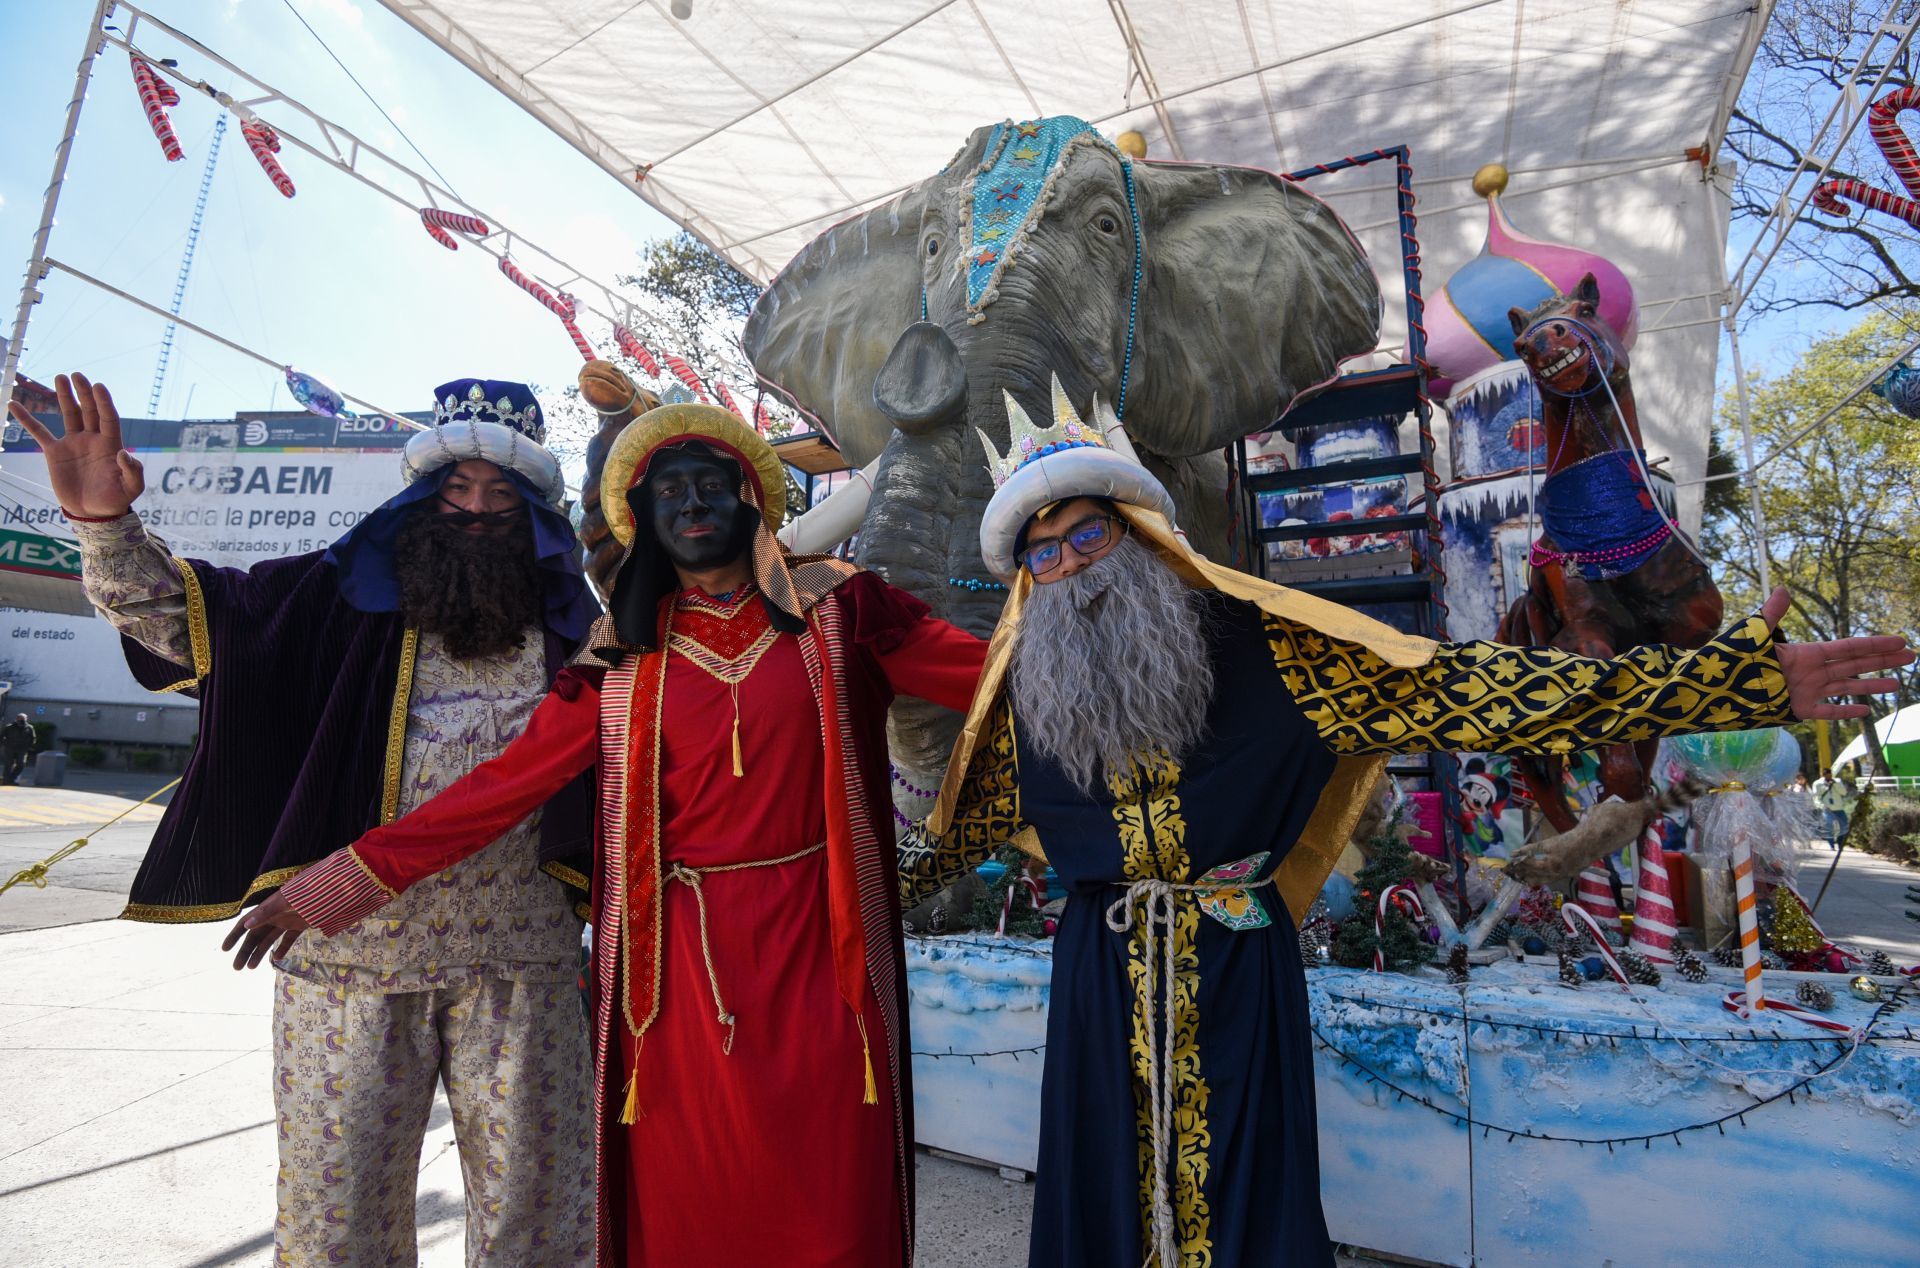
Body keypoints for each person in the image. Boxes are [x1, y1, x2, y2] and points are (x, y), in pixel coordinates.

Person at [902, 379, 1914, 1268]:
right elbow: (946, 835)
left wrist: (1728, 680)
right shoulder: (1022, 699)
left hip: (1233, 966)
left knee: (1243, 1189)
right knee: (1105, 1189)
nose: (1068, 564)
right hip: (1098, 979)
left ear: (1145, 531)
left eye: (1087, 532)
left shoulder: (1278, 654)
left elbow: (1473, 687)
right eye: (1041, 552)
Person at [233, 392, 990, 1266]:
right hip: (666, 973)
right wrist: (335, 885)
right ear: (642, 521)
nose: (694, 506)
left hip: (821, 948)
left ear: (753, 502)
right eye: (669, 495)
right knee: (687, 1186)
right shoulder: (617, 655)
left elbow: (1001, 678)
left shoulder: (846, 611)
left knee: (826, 1177)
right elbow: (499, 789)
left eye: (713, 486)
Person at [11, 371, 601, 1265]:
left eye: (501, 495)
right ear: (418, 498)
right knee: (338, 1216)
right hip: (348, 959)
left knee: (541, 1220)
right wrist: (104, 525)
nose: (476, 510)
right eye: (454, 489)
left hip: (527, 964)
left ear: (535, 516)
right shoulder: (333, 600)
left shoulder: (577, 629)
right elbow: (187, 623)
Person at [1812, 766, 1861, 849]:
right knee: (1829, 827)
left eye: (1829, 774)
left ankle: (1840, 843)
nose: (1828, 776)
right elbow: (1816, 797)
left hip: (1838, 808)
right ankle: (1831, 845)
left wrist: (1835, 784)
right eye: (1826, 775)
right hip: (1827, 809)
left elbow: (1843, 792)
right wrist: (1822, 806)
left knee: (1844, 826)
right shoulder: (1817, 783)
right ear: (1822, 775)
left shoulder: (1837, 781)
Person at [1, 713, 35, 784]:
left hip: (22, 749)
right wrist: (5, 744)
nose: (22, 720)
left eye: (24, 719)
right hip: (10, 748)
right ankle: (6, 781)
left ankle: (11, 778)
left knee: (21, 764)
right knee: (8, 765)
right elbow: (1, 736)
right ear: (17, 719)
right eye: (20, 718)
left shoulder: (29, 727)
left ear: (26, 719)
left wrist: (29, 746)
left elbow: (33, 738)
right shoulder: (9, 727)